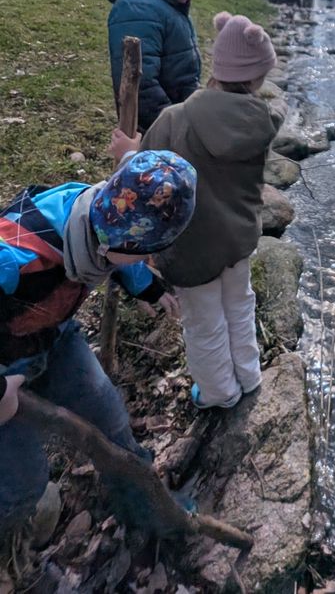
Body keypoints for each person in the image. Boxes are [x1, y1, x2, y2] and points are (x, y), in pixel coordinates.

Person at [0, 151, 197, 537]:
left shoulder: (100, 215)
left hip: (52, 341)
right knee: (24, 483)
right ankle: (9, 542)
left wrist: (148, 288)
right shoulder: (13, 258)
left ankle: (144, 507)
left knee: (110, 421)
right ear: (108, 242)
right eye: (146, 252)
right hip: (5, 375)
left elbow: (125, 252)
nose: (151, 257)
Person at [111, 12, 285, 410]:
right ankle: (249, 375)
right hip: (239, 237)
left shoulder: (176, 118)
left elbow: (148, 174)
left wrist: (127, 154)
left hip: (193, 245)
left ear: (217, 67)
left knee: (205, 322)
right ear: (258, 79)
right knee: (240, 305)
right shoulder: (265, 119)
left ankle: (219, 392)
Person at [106, 0, 224, 133]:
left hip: (175, 118)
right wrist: (178, 128)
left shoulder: (168, 3)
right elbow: (141, 87)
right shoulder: (136, 9)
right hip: (158, 130)